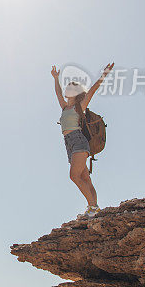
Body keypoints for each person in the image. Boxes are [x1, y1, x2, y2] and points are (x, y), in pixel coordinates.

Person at [51, 63, 115, 219]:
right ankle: (94, 208)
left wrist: (103, 75)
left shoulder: (80, 105)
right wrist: (56, 78)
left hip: (79, 141)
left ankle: (93, 207)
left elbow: (92, 90)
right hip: (69, 143)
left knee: (74, 176)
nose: (66, 90)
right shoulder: (65, 107)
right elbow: (58, 92)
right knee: (85, 178)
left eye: (69, 88)